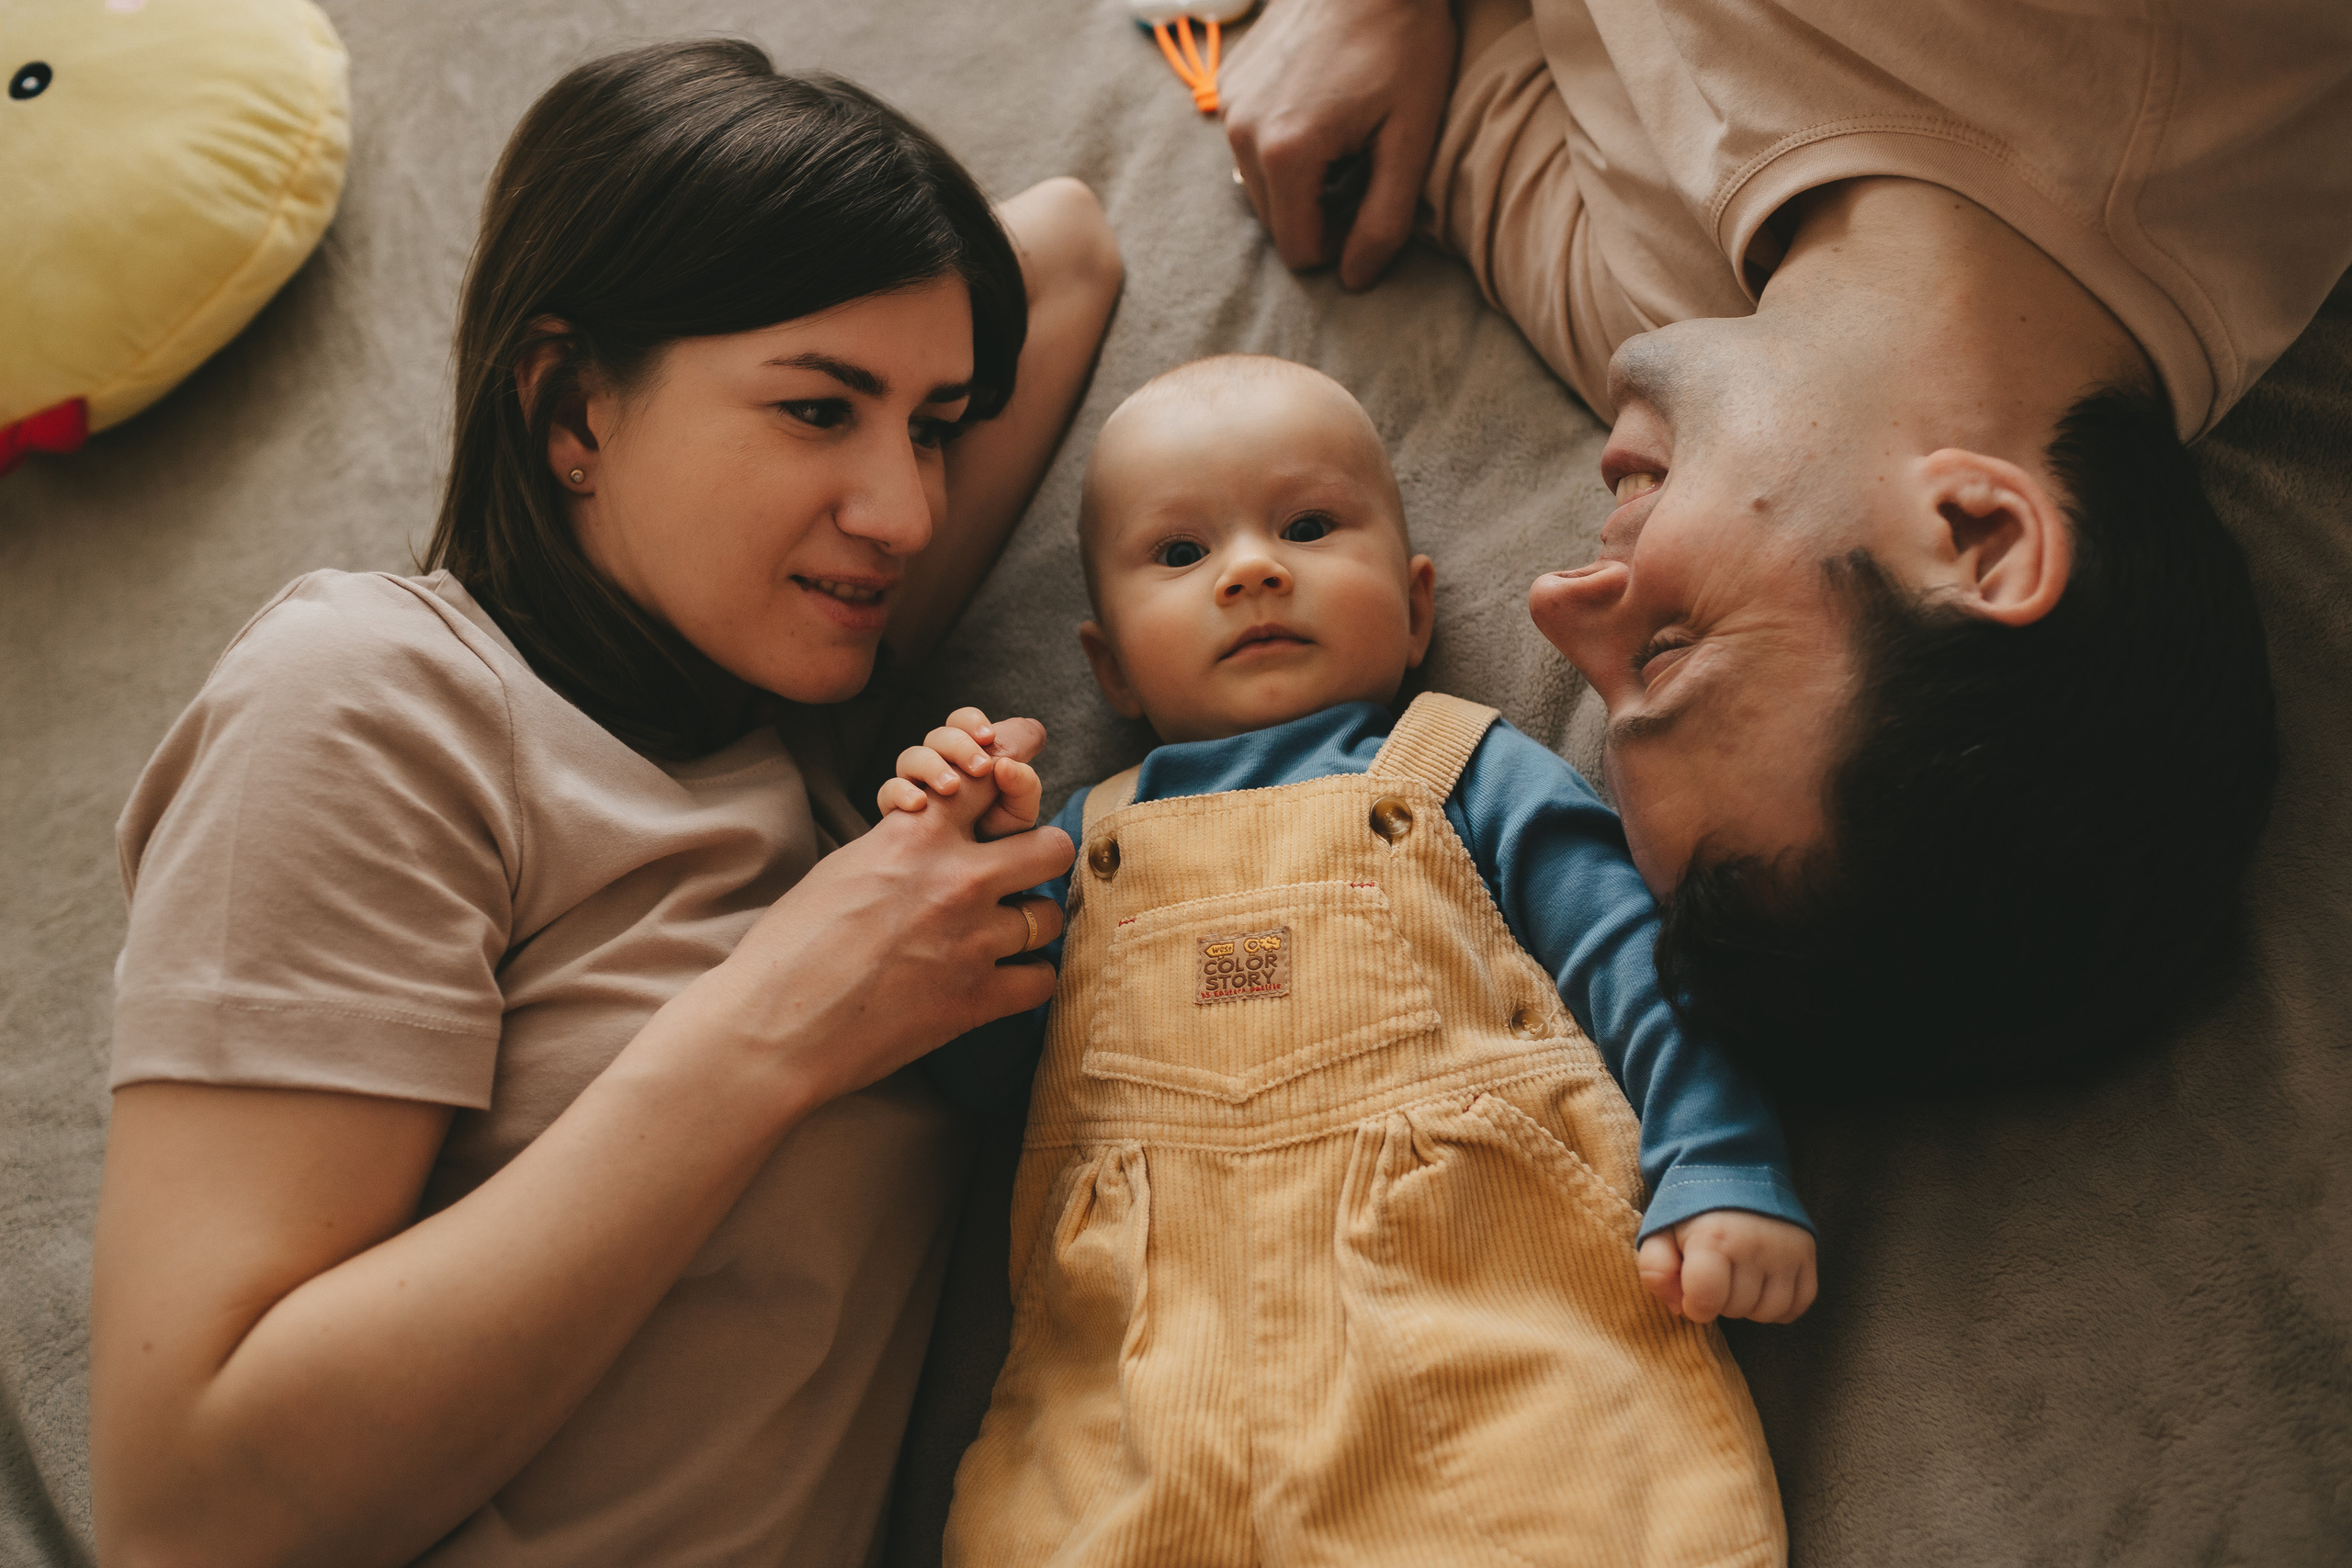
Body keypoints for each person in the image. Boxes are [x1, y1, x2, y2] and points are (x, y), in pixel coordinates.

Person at [86, 41, 1118, 1567]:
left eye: (932, 427)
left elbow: (1073, 245)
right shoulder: (373, 696)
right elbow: (187, 1515)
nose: (905, 510)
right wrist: (782, 1011)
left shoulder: (812, 742)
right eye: (818, 411)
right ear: (572, 406)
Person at [1218, 0, 2352, 1094]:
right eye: (1667, 649)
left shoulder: (1658, 330)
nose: (1557, 600)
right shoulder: (2180, 39)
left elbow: (1366, 103)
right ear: (1976, 534)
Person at [884, 356, 1815, 1566]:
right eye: (1180, 554)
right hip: (1141, 1385)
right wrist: (963, 862)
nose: (1254, 567)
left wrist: (1722, 1160)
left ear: (1417, 603)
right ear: (1108, 664)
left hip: (1483, 1322)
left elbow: (1638, 971)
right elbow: (979, 1073)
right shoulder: (1069, 841)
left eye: (1309, 525)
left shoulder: (1471, 770)